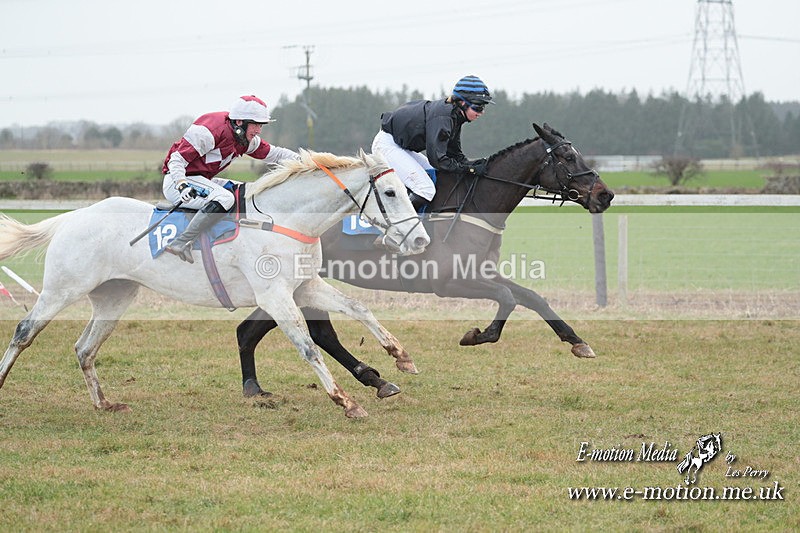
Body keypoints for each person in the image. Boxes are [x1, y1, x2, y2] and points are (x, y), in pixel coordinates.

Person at [161, 95, 300, 263]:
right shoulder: (209, 131)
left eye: (260, 125)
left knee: (245, 191)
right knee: (225, 198)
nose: (258, 131)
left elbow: (276, 154)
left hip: (201, 181)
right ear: (240, 122)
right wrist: (181, 184)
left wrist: (310, 161)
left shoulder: (245, 140)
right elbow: (176, 160)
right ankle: (181, 242)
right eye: (256, 124)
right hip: (177, 182)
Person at [371, 75, 494, 211]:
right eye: (478, 107)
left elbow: (454, 154)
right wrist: (468, 169)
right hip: (388, 145)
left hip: (401, 146)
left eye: (483, 107)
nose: (481, 112)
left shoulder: (454, 116)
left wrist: (473, 165)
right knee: (425, 189)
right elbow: (438, 160)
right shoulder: (443, 117)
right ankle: (397, 227)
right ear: (462, 103)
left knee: (434, 174)